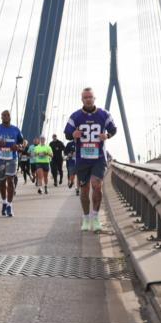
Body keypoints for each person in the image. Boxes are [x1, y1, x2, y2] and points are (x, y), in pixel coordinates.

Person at [64, 87, 118, 233]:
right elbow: (67, 133)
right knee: (84, 190)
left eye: (90, 97)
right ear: (82, 99)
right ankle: (86, 217)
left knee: (96, 185)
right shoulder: (75, 116)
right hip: (82, 159)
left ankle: (95, 217)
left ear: (94, 98)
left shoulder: (104, 114)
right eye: (85, 97)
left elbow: (113, 129)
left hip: (98, 158)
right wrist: (73, 134)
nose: (88, 99)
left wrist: (107, 136)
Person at [0, 110, 25, 217]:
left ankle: (10, 205)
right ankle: (4, 201)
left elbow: (21, 142)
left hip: (12, 158)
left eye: (8, 115)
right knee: (2, 182)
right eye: (4, 115)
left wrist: (18, 147)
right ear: (1, 117)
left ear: (10, 117)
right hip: (0, 158)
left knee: (10, 180)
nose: (6, 117)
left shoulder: (16, 129)